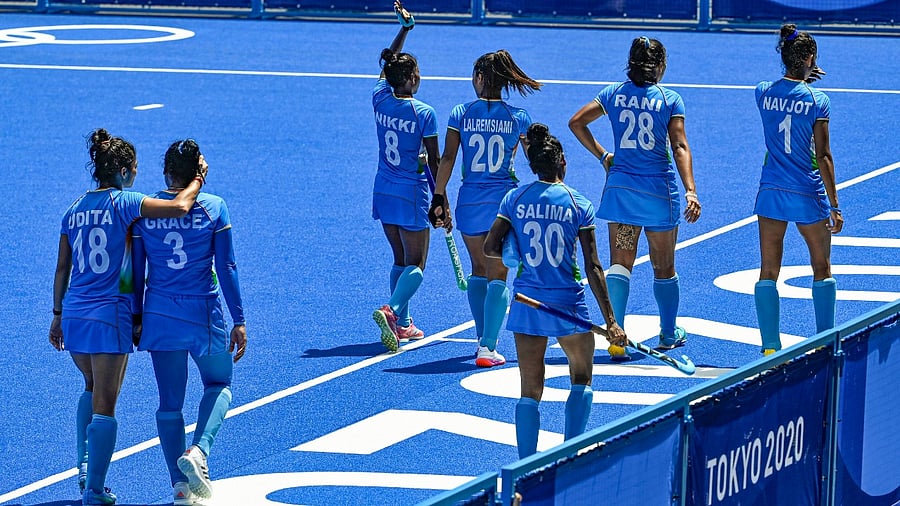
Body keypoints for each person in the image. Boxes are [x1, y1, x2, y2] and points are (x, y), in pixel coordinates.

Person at [49, 128, 206, 505]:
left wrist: (56, 315)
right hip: (109, 315)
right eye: (133, 169)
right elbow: (180, 207)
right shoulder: (125, 202)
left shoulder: (74, 208)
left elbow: (62, 268)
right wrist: (199, 177)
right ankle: (93, 490)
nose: (136, 175)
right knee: (106, 403)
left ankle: (86, 465)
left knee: (89, 386)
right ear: (122, 171)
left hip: (73, 314)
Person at [483, 123, 627, 458]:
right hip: (568, 303)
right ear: (562, 161)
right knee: (581, 377)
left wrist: (511, 252)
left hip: (528, 304)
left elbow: (491, 246)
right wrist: (612, 320)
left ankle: (525, 468)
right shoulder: (578, 204)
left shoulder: (514, 198)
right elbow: (593, 267)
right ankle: (571, 454)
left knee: (529, 390)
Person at [568, 36, 701, 360]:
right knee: (663, 266)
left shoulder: (613, 95)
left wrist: (603, 156)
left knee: (620, 265)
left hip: (623, 194)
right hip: (658, 196)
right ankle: (668, 333)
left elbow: (576, 122)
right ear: (661, 66)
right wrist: (691, 190)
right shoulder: (669, 100)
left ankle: (616, 336)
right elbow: (679, 146)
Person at [131, 139, 247, 505]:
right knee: (220, 382)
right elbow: (227, 267)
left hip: (159, 314)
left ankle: (179, 488)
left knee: (169, 404)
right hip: (203, 313)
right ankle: (199, 452)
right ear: (198, 172)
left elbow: (134, 271)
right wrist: (240, 319)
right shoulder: (214, 207)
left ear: (166, 171)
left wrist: (136, 316)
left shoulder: (144, 210)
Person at [429, 49, 541, 368]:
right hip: (502, 205)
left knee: (478, 269)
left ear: (479, 78)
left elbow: (448, 158)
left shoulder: (460, 113)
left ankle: (482, 339)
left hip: (469, 201)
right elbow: (535, 158)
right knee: (498, 276)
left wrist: (439, 196)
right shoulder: (519, 118)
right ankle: (488, 346)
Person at [753, 24, 841, 355]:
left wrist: (798, 74)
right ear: (809, 58)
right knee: (821, 266)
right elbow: (824, 155)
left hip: (772, 190)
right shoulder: (819, 101)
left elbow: (781, 93)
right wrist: (835, 204)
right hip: (807, 190)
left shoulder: (762, 91)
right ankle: (823, 343)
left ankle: (770, 348)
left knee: (768, 270)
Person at [371, 1, 441, 353]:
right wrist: (441, 200)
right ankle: (392, 310)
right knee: (417, 264)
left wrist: (405, 29)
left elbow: (386, 67)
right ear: (413, 79)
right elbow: (436, 160)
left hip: (383, 189)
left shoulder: (380, 99)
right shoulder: (424, 113)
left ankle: (405, 324)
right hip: (412, 192)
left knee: (399, 259)